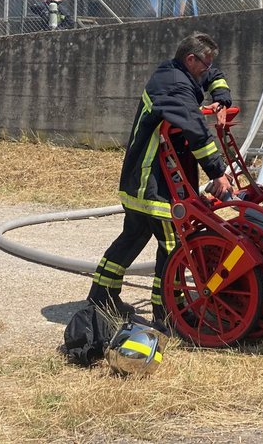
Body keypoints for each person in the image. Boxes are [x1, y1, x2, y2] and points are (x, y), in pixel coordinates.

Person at [86, 32, 235, 323]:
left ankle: (100, 297)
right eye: (204, 63)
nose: (207, 70)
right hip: (152, 181)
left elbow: (214, 74)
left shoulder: (180, 73)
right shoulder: (174, 87)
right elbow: (196, 130)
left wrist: (222, 99)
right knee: (174, 246)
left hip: (147, 178)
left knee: (133, 236)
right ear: (190, 59)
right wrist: (218, 173)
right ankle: (169, 313)